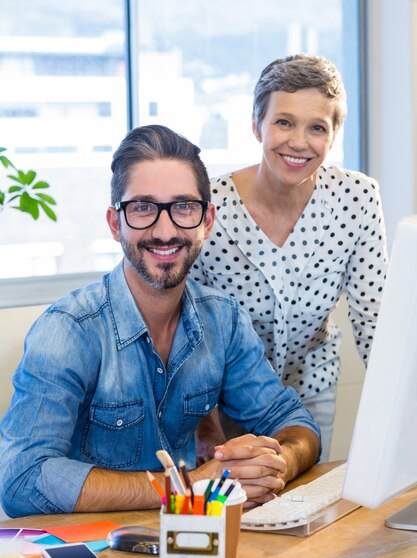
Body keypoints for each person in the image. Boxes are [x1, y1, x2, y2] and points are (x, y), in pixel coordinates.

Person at [0, 124, 320, 518]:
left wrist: (276, 464)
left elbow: (292, 421)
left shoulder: (224, 320)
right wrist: (189, 487)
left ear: (207, 221)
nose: (164, 230)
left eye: (184, 207)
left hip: (188, 540)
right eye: (143, 208)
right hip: (93, 555)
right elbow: (20, 479)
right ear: (116, 223)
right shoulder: (68, 330)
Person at [192, 54, 388, 462]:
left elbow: (375, 322)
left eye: (317, 127)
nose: (299, 142)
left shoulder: (358, 199)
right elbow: (188, 326)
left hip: (311, 386)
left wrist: (401, 413)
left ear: (333, 134)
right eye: (284, 122)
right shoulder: (208, 205)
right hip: (222, 398)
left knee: (302, 506)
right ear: (256, 125)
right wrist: (205, 424)